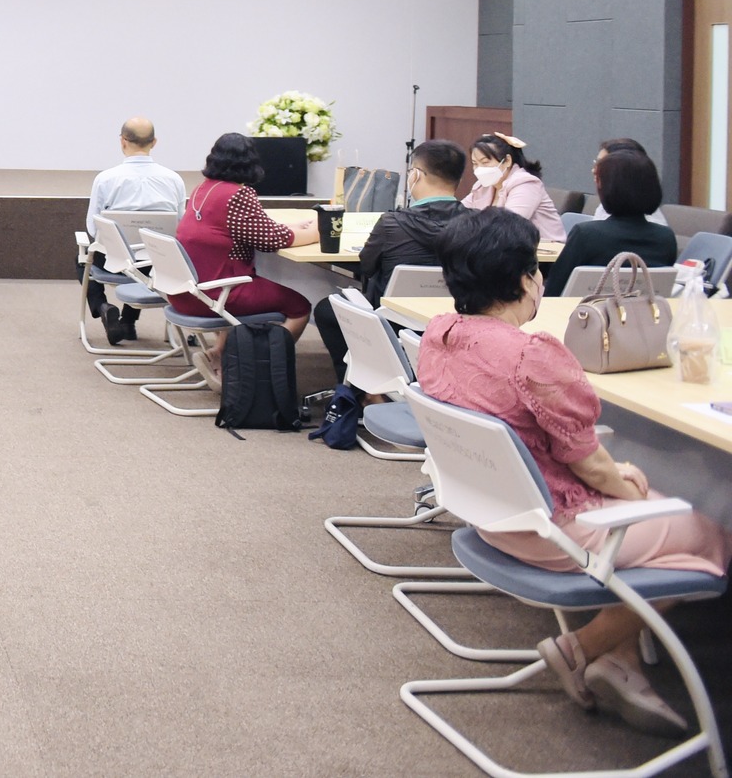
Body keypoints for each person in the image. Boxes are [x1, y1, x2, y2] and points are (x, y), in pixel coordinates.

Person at [419, 209, 727, 736]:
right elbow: (593, 465)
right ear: (525, 280)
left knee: (647, 514)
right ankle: (580, 647)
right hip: (553, 530)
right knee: (713, 533)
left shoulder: (440, 333)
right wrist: (627, 482)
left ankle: (620, 661)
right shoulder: (531, 354)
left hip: (491, 514)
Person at [309, 139, 470, 380]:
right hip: (455, 320)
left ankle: (360, 385)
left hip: (392, 322)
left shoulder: (392, 223)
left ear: (415, 175)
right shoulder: (479, 224)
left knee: (326, 309)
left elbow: (366, 266)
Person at [168, 133, 318, 367]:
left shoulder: (202, 190)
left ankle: (218, 354)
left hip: (186, 291)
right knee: (300, 306)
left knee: (227, 275)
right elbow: (272, 240)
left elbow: (252, 228)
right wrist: (319, 231)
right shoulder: (237, 194)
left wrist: (294, 227)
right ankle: (263, 368)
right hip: (216, 294)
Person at [83, 117, 187, 344]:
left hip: (115, 263)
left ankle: (103, 307)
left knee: (83, 258)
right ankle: (127, 323)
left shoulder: (105, 179)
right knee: (144, 257)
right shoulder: (174, 180)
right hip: (158, 265)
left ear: (122, 141)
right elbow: (181, 226)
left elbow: (92, 227)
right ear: (154, 142)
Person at [545, 146, 678, 289]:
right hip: (644, 304)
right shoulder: (666, 238)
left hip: (587, 304)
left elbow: (554, 290)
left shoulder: (586, 235)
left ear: (607, 189)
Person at [463, 132, 564, 241]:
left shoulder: (526, 183)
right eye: (475, 163)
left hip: (543, 248)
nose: (479, 169)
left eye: (485, 162)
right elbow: (459, 216)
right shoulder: (482, 186)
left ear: (507, 161)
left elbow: (508, 226)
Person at [591, 138, 669, 227]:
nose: (594, 170)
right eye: (597, 163)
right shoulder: (605, 206)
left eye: (602, 165)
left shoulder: (652, 225)